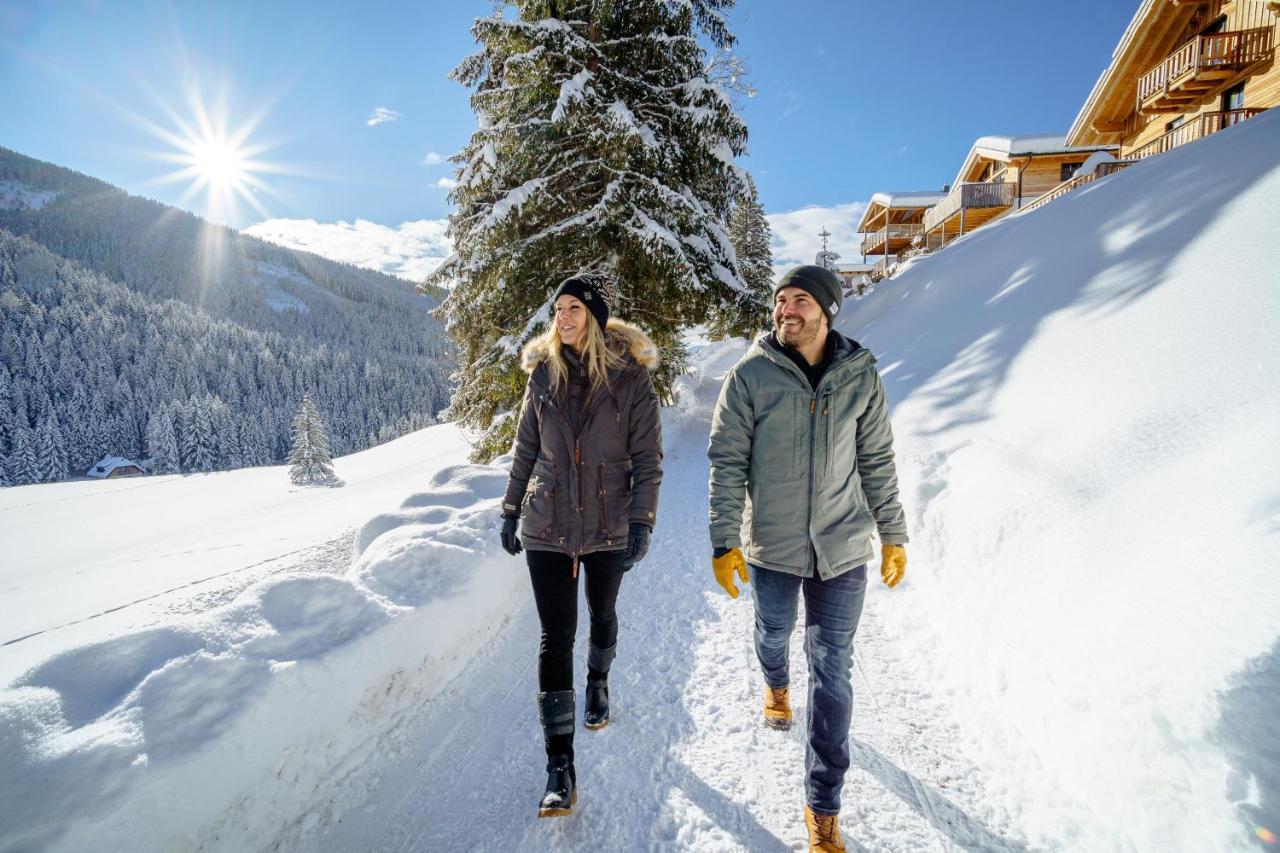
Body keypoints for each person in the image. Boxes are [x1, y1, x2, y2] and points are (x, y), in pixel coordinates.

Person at [706, 264, 908, 852]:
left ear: (827, 310)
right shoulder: (749, 377)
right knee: (773, 632)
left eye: (799, 300)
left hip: (843, 547)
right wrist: (725, 539)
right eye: (780, 300)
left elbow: (877, 459)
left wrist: (893, 532)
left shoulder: (859, 375)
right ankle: (774, 685)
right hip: (773, 542)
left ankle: (823, 804)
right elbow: (726, 463)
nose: (785, 310)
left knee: (833, 667)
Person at [499, 274, 663, 819]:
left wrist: (641, 519)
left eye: (574, 308)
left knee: (603, 611)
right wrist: (509, 507)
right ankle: (560, 766)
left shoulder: (629, 379)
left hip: (609, 521)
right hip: (547, 523)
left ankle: (598, 680)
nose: (564, 318)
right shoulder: (542, 373)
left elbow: (647, 458)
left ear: (593, 315)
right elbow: (525, 445)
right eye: (558, 309)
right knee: (554, 636)